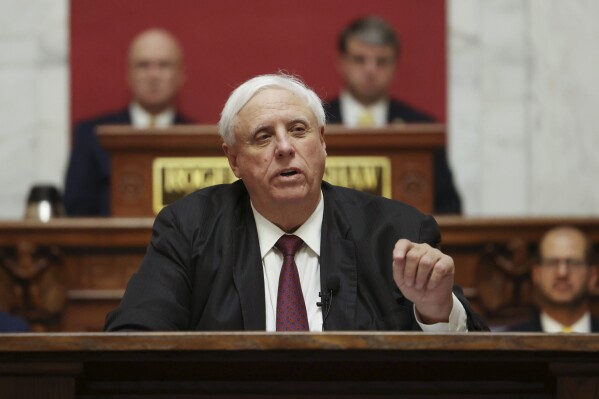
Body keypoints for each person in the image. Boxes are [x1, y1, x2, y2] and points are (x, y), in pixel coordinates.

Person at [104, 74, 487, 332]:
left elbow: (476, 368)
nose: (285, 148)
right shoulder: (190, 229)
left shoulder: (394, 232)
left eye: (299, 131)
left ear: (322, 142)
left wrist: (436, 311)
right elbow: (134, 338)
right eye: (263, 136)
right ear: (234, 160)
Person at [324, 16, 462, 214]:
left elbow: (449, 209)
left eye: (381, 61)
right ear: (341, 62)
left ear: (395, 66)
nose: (370, 70)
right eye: (359, 60)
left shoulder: (420, 129)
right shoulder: (316, 123)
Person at [64, 28, 191, 216]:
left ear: (180, 75)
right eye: (143, 65)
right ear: (128, 75)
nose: (153, 75)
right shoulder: (93, 135)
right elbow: (75, 207)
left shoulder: (196, 139)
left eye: (163, 65)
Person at [509, 226, 599, 333]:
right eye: (551, 263)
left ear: (593, 275)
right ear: (536, 273)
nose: (562, 273)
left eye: (573, 263)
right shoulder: (509, 341)